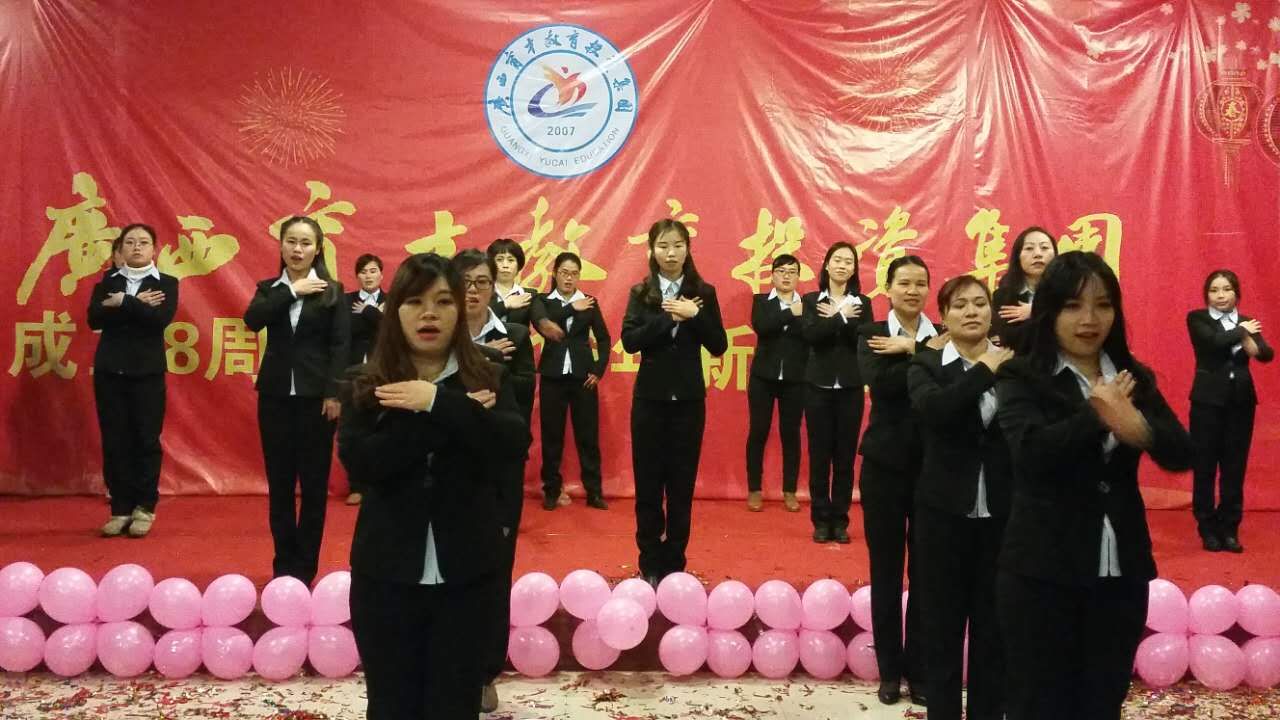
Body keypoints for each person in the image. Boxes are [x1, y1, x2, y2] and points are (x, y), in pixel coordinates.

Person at [995, 251, 1192, 720]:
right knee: (1039, 703)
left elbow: (1182, 452)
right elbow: (1031, 454)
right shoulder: (1021, 375)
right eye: (1073, 306)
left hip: (1120, 572)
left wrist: (1138, 428)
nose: (1090, 319)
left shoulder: (1132, 377)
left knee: (1103, 701)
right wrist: (1095, 414)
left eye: (1103, 305)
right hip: (1042, 571)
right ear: (1049, 311)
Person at [337, 253, 529, 720]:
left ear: (460, 309)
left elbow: (510, 445)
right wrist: (451, 413)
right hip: (386, 575)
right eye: (415, 301)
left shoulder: (489, 373)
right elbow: (365, 463)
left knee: (455, 706)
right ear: (394, 310)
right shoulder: (366, 381)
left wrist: (437, 401)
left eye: (443, 301)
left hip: (468, 576)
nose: (429, 314)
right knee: (391, 706)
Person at [907, 276, 1013, 720]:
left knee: (994, 634)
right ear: (944, 317)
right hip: (942, 518)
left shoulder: (1016, 366)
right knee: (942, 634)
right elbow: (938, 411)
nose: (972, 312)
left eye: (980, 304)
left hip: (1002, 519)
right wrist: (986, 369)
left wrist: (997, 365)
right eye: (961, 305)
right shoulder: (926, 365)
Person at [857, 254, 945, 706]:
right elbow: (884, 384)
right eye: (904, 283)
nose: (913, 291)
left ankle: (921, 671)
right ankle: (890, 671)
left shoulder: (943, 335)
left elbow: (948, 382)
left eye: (920, 283)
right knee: (886, 571)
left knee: (927, 573)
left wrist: (911, 348)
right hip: (884, 467)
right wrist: (927, 354)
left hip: (934, 469)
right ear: (888, 288)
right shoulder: (871, 334)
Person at [244, 216, 350, 587]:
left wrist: (334, 392)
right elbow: (252, 320)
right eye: (291, 241)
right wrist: (292, 291)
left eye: (306, 243)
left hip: (316, 400)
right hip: (275, 398)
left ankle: (305, 568)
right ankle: (283, 565)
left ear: (318, 249)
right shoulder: (270, 288)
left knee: (314, 487)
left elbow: (341, 346)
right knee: (280, 485)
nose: (297, 249)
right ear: (281, 246)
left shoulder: (333, 291)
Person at [621, 219, 727, 586]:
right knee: (648, 485)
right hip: (649, 400)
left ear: (688, 249)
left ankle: (676, 563)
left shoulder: (704, 292)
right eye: (664, 246)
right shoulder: (641, 292)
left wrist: (696, 317)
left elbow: (719, 345)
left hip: (688, 402)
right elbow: (629, 341)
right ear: (652, 250)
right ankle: (650, 562)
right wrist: (668, 317)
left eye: (678, 245)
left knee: (681, 486)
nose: (671, 253)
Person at [451, 249, 534, 712]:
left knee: (495, 571)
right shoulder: (435, 336)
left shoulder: (516, 334)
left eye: (482, 282)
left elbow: (522, 393)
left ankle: (485, 672)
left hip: (500, 469)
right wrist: (486, 358)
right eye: (464, 282)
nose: (474, 291)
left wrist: (478, 361)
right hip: (449, 468)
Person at [87, 223, 178, 537]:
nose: (136, 247)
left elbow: (158, 320)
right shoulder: (107, 281)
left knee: (146, 440)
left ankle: (145, 507)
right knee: (115, 440)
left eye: (143, 242)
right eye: (130, 242)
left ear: (154, 249)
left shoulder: (167, 283)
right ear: (121, 249)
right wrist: (138, 303)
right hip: (109, 372)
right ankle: (120, 508)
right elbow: (94, 318)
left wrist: (123, 302)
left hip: (147, 373)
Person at [1186, 269, 1273, 553]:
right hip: (1207, 403)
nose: (1221, 295)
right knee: (1205, 467)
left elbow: (1266, 354)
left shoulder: (1246, 321)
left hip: (1241, 403)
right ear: (1207, 295)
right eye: (1214, 290)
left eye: (1226, 289)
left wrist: (1250, 339)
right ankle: (1207, 528)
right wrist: (1242, 331)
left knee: (1234, 467)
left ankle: (1230, 528)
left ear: (1236, 292)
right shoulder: (1198, 318)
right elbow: (1213, 343)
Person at [801, 243, 874, 535]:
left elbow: (863, 338)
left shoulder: (863, 303)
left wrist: (835, 319)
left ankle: (840, 520)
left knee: (845, 457)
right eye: (838, 260)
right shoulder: (811, 300)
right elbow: (811, 335)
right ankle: (820, 519)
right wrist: (842, 318)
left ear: (854, 269)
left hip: (850, 387)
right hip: (817, 386)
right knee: (819, 455)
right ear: (827, 265)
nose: (842, 265)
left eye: (848, 262)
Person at [531, 252, 611, 511]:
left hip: (582, 378)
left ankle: (594, 492)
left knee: (588, 436)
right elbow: (544, 323)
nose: (569, 278)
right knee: (551, 436)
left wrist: (598, 370)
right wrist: (571, 308)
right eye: (564, 273)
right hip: (552, 377)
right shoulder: (543, 301)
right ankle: (551, 491)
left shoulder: (589, 302)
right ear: (555, 273)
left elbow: (604, 339)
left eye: (574, 274)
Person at [744, 254, 810, 513]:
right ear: (772, 275)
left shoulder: (808, 305)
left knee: (790, 434)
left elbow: (810, 335)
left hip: (795, 379)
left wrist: (799, 312)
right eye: (781, 271)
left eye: (792, 271)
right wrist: (790, 312)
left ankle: (790, 491)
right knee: (758, 431)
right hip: (763, 377)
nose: (786, 275)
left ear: (798, 276)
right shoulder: (761, 301)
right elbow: (763, 326)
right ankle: (754, 489)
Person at [344, 253, 385, 507]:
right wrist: (374, 315)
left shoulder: (393, 301)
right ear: (357, 276)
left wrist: (369, 312)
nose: (368, 276)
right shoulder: (346, 301)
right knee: (353, 431)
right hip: (353, 372)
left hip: (384, 372)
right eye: (363, 272)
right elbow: (345, 332)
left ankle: (379, 485)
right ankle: (357, 486)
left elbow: (390, 329)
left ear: (381, 274)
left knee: (382, 428)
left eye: (373, 271)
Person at [991, 226, 1056, 352]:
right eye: (1029, 248)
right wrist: (1048, 314)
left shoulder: (1067, 290)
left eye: (1044, 248)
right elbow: (1012, 339)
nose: (1038, 254)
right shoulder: (1004, 295)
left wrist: (1035, 310)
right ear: (1018, 256)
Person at [487, 238, 534, 328]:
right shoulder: (481, 293)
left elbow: (542, 321)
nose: (505, 265)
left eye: (511, 260)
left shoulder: (528, 295)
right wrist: (505, 304)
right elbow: (475, 320)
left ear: (518, 264)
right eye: (499, 260)